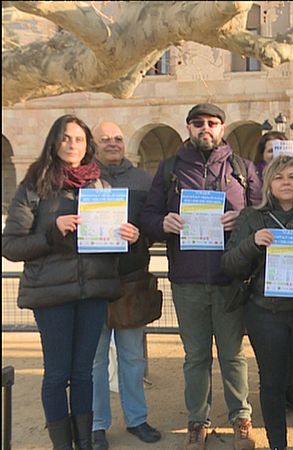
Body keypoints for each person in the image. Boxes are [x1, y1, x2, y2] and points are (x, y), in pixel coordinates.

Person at [2, 115, 140, 450]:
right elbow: (11, 246)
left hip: (92, 292)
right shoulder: (34, 185)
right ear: (54, 142)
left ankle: (85, 442)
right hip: (52, 295)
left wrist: (127, 237)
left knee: (83, 373)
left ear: (87, 144)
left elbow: (111, 246)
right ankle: (62, 445)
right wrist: (52, 232)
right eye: (66, 138)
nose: (72, 145)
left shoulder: (99, 186)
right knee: (56, 374)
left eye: (78, 139)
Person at [140, 103, 262, 450]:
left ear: (222, 127)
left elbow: (263, 213)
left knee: (233, 354)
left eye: (212, 122)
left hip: (230, 278)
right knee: (195, 356)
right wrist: (162, 223)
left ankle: (240, 417)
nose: (205, 128)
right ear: (189, 128)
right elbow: (148, 216)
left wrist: (242, 218)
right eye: (198, 123)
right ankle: (198, 420)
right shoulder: (170, 169)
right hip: (187, 279)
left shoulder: (242, 168)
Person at [222, 155, 293, 450]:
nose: (286, 183)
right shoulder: (251, 217)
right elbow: (230, 264)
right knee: (272, 382)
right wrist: (252, 243)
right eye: (278, 177)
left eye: (292, 176)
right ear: (268, 184)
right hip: (265, 313)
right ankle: (277, 444)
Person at [90, 122, 161, 449]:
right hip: (93, 281)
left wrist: (140, 235)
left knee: (132, 358)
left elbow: (154, 225)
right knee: (95, 361)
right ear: (94, 144)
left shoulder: (143, 181)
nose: (113, 143)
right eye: (105, 139)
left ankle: (136, 419)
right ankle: (96, 424)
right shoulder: (82, 179)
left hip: (131, 280)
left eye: (117, 138)